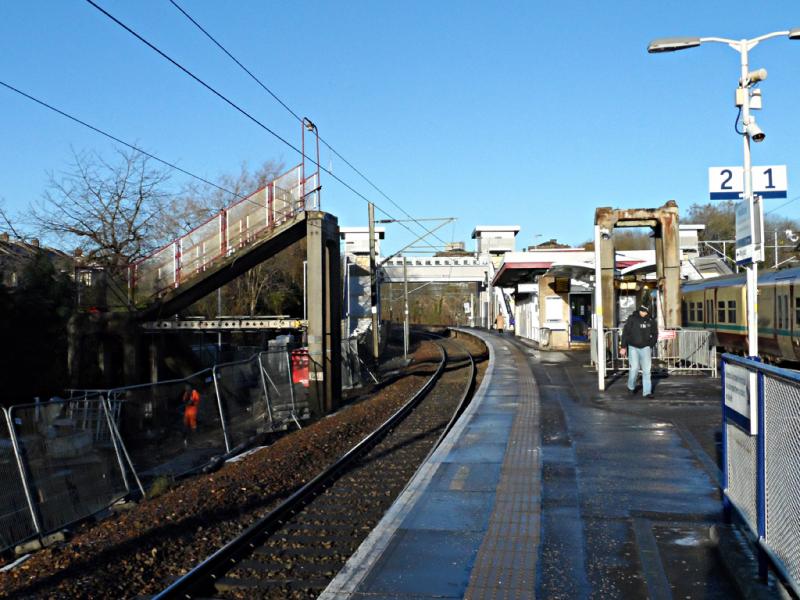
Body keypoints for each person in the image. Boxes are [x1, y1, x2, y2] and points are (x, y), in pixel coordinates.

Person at [620, 304, 658, 397]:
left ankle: (647, 392)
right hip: (633, 347)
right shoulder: (632, 319)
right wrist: (623, 347)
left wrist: (651, 344)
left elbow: (655, 333)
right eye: (642, 311)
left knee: (646, 370)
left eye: (645, 311)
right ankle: (631, 386)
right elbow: (625, 333)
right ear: (640, 311)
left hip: (645, 347)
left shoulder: (651, 320)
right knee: (634, 368)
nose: (644, 313)